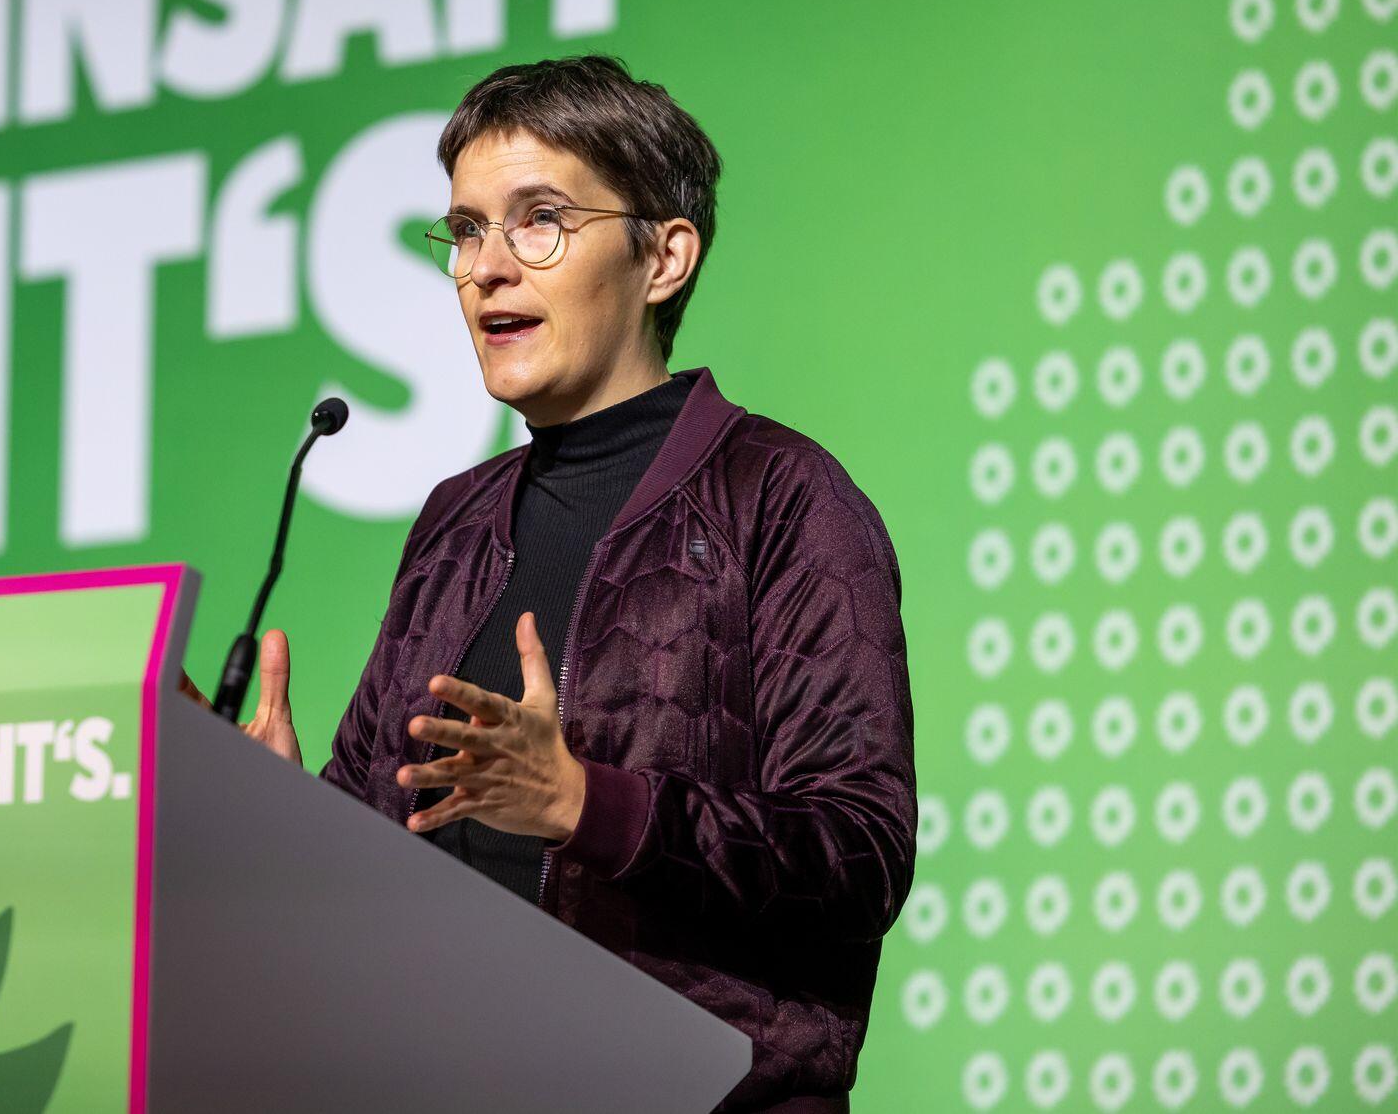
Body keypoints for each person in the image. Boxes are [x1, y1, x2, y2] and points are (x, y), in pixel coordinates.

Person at [183, 54, 915, 1112]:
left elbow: (856, 855)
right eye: (466, 229)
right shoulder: (452, 523)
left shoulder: (781, 496)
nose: (485, 267)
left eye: (539, 221)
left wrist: (584, 802)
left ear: (663, 256)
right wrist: (285, 822)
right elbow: (381, 876)